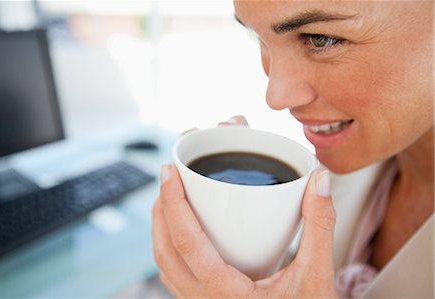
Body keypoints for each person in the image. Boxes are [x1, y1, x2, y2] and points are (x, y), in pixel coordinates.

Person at [152, 1, 434, 298]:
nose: (276, 96)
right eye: (259, 38)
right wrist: (249, 260)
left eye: (322, 39)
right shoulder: (330, 176)